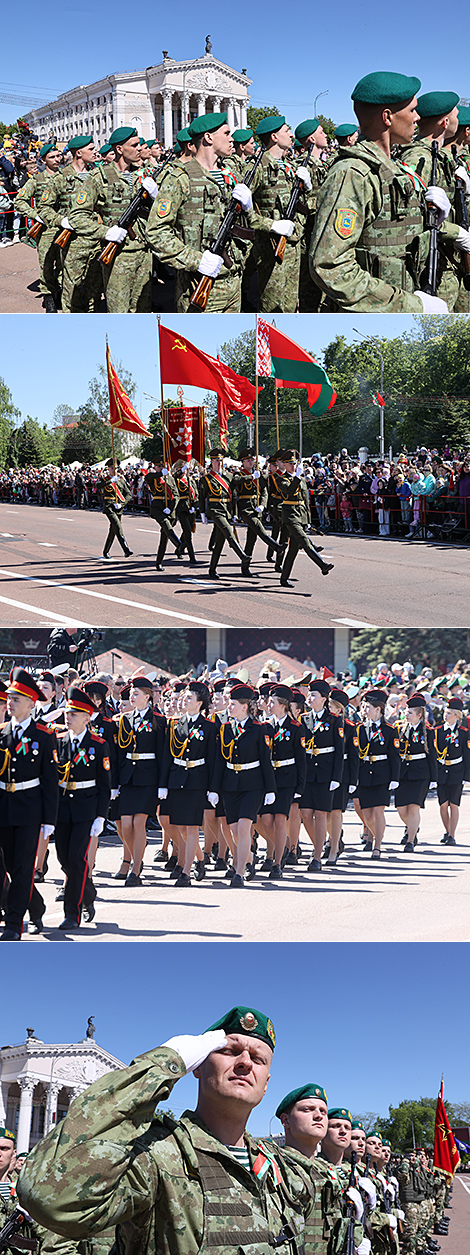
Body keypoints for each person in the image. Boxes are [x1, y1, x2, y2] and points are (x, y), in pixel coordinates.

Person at [18, 1005, 325, 1255]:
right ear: (198, 1066)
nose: (245, 1062)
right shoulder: (156, 1154)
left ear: (266, 1084)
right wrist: (165, 1063)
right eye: (231, 1052)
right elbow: (51, 1200)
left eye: (258, 1059)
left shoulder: (280, 1168)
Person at [309, 71, 453, 312]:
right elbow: (329, 267)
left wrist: (431, 222)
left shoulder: (393, 167)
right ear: (387, 117)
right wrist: (412, 305)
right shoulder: (354, 174)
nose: (418, 117)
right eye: (411, 110)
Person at [146, 112, 251, 311]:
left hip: (234, 281)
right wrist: (197, 261)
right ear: (209, 138)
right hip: (198, 285)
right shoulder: (180, 178)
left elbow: (244, 226)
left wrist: (248, 209)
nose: (232, 139)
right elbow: (156, 233)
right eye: (227, 133)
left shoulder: (230, 176)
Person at [67, 126, 157, 313]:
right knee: (119, 311)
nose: (140, 148)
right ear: (119, 149)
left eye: (140, 144)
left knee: (143, 309)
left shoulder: (146, 175)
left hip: (145, 253)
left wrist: (158, 197)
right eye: (134, 145)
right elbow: (77, 216)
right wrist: (106, 232)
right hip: (118, 255)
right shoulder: (99, 177)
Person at [0, 668, 59, 940]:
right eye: (9, 698)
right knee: (11, 866)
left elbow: (50, 781)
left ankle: (14, 924)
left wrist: (49, 819)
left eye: (16, 698)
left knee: (24, 866)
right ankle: (36, 906)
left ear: (31, 702)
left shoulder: (44, 736)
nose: (10, 703)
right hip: (4, 805)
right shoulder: (2, 733)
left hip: (30, 807)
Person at [53, 685, 111, 931]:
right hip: (62, 807)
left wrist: (100, 816)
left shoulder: (98, 745)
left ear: (87, 717)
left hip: (86, 809)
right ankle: (88, 892)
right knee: (64, 859)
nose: (68, 716)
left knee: (77, 858)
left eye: (74, 713)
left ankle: (72, 914)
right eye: (67, 712)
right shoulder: (58, 742)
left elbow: (104, 785)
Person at [214, 683, 276, 887]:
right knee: (233, 830)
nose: (228, 707)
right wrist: (214, 789)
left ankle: (238, 873)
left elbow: (265, 760)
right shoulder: (225, 729)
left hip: (253, 784)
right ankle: (248, 859)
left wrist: (270, 789)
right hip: (231, 784)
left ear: (244, 706)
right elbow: (219, 762)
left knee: (243, 828)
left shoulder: (259, 729)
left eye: (232, 704)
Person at [158, 681, 218, 886]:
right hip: (177, 778)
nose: (184, 700)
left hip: (197, 780)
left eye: (189, 698)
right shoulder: (174, 724)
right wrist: (163, 784)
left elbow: (213, 760)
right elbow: (167, 756)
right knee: (181, 828)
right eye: (184, 697)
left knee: (192, 827)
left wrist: (212, 788)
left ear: (200, 703)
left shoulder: (210, 727)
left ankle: (186, 872)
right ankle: (200, 859)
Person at [36, 134, 103, 312]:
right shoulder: (61, 177)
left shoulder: (97, 175)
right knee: (71, 288)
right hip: (73, 241)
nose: (95, 151)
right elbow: (43, 207)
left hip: (96, 238)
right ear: (79, 153)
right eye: (91, 149)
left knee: (94, 288)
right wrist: (61, 221)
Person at [116, 676, 164, 885]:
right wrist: (114, 783)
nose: (132, 697)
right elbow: (120, 752)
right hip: (128, 777)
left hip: (148, 778)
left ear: (148, 697)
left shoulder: (159, 721)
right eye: (131, 694)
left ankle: (135, 870)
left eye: (136, 694)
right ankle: (135, 858)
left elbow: (163, 755)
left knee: (138, 823)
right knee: (125, 824)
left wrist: (162, 784)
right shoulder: (125, 719)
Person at [259, 683, 306, 879]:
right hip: (267, 778)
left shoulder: (296, 728)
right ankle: (285, 845)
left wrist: (300, 786)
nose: (268, 705)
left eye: (272, 702)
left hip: (287, 778)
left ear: (283, 705)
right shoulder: (264, 726)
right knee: (264, 819)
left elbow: (301, 759)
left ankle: (277, 863)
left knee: (280, 819)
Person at [299, 679, 345, 871]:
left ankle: (317, 857)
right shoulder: (303, 719)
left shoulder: (334, 720)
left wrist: (336, 778)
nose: (309, 698)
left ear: (324, 699)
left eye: (314, 695)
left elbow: (339, 752)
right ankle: (321, 843)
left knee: (320, 814)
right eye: (309, 695)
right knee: (306, 815)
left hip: (326, 774)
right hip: (308, 773)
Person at [14, 142, 63, 311]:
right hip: (46, 230)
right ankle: (49, 297)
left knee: (65, 265)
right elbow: (19, 201)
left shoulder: (66, 176)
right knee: (47, 265)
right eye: (52, 157)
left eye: (58, 156)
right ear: (43, 160)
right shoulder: (37, 180)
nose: (57, 159)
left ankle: (61, 295)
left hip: (65, 228)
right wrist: (36, 216)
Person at [356, 689, 401, 857]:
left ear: (378, 709)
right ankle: (376, 836)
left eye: (368, 707)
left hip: (383, 774)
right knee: (366, 814)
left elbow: (394, 756)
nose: (365, 710)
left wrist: (394, 778)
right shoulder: (360, 729)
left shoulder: (389, 730)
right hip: (365, 774)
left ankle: (378, 845)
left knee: (378, 812)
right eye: (364, 706)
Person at [277, 451, 333, 586]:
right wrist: (296, 476)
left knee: (293, 550)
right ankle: (322, 565)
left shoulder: (301, 479)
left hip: (301, 515)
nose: (293, 465)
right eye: (290, 463)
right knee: (304, 541)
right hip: (290, 516)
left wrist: (307, 520)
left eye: (294, 463)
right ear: (284, 465)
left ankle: (284, 579)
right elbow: (289, 491)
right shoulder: (280, 479)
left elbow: (305, 500)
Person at [199, 448, 252, 579]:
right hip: (215, 510)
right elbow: (201, 497)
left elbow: (234, 495)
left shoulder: (229, 476)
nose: (219, 463)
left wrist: (234, 512)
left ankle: (212, 569)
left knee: (219, 541)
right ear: (211, 462)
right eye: (216, 460)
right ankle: (242, 556)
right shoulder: (206, 479)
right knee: (228, 531)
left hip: (226, 509)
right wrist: (202, 513)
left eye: (221, 460)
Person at [395, 694, 437, 852]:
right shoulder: (400, 729)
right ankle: (412, 827)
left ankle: (410, 841)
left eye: (410, 712)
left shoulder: (428, 731)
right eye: (406, 711)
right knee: (401, 808)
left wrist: (434, 778)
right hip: (403, 772)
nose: (406, 714)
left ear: (419, 714)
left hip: (420, 773)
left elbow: (432, 755)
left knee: (413, 807)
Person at [231, 448, 286, 563]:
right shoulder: (240, 474)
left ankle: (245, 565)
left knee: (252, 538)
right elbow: (235, 480)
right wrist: (251, 477)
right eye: (248, 460)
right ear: (243, 462)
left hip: (257, 508)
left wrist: (262, 505)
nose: (251, 462)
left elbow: (265, 491)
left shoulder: (258, 474)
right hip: (246, 508)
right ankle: (276, 547)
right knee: (259, 528)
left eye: (252, 459)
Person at [433, 695, 470, 845]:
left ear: (457, 716)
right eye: (445, 712)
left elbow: (467, 755)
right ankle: (447, 830)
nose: (445, 715)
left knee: (454, 804)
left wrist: (466, 776)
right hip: (442, 769)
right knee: (443, 804)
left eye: (449, 713)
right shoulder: (437, 731)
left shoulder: (463, 732)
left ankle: (452, 835)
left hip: (457, 770)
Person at [145, 452, 182, 570]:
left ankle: (159, 562)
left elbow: (176, 496)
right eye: (158, 466)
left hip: (169, 509)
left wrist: (170, 508)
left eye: (162, 466)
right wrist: (160, 474)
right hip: (157, 508)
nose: (161, 468)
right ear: (155, 467)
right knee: (167, 527)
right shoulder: (154, 477)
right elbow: (147, 478)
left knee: (164, 537)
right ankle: (180, 546)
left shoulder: (170, 479)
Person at [100, 460, 133, 559]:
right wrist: (110, 481)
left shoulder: (121, 481)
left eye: (116, 468)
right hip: (109, 506)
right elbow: (98, 486)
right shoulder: (104, 479)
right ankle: (126, 549)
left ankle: (106, 551)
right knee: (118, 526)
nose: (114, 470)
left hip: (118, 508)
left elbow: (128, 495)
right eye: (112, 468)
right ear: (108, 469)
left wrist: (122, 504)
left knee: (113, 530)